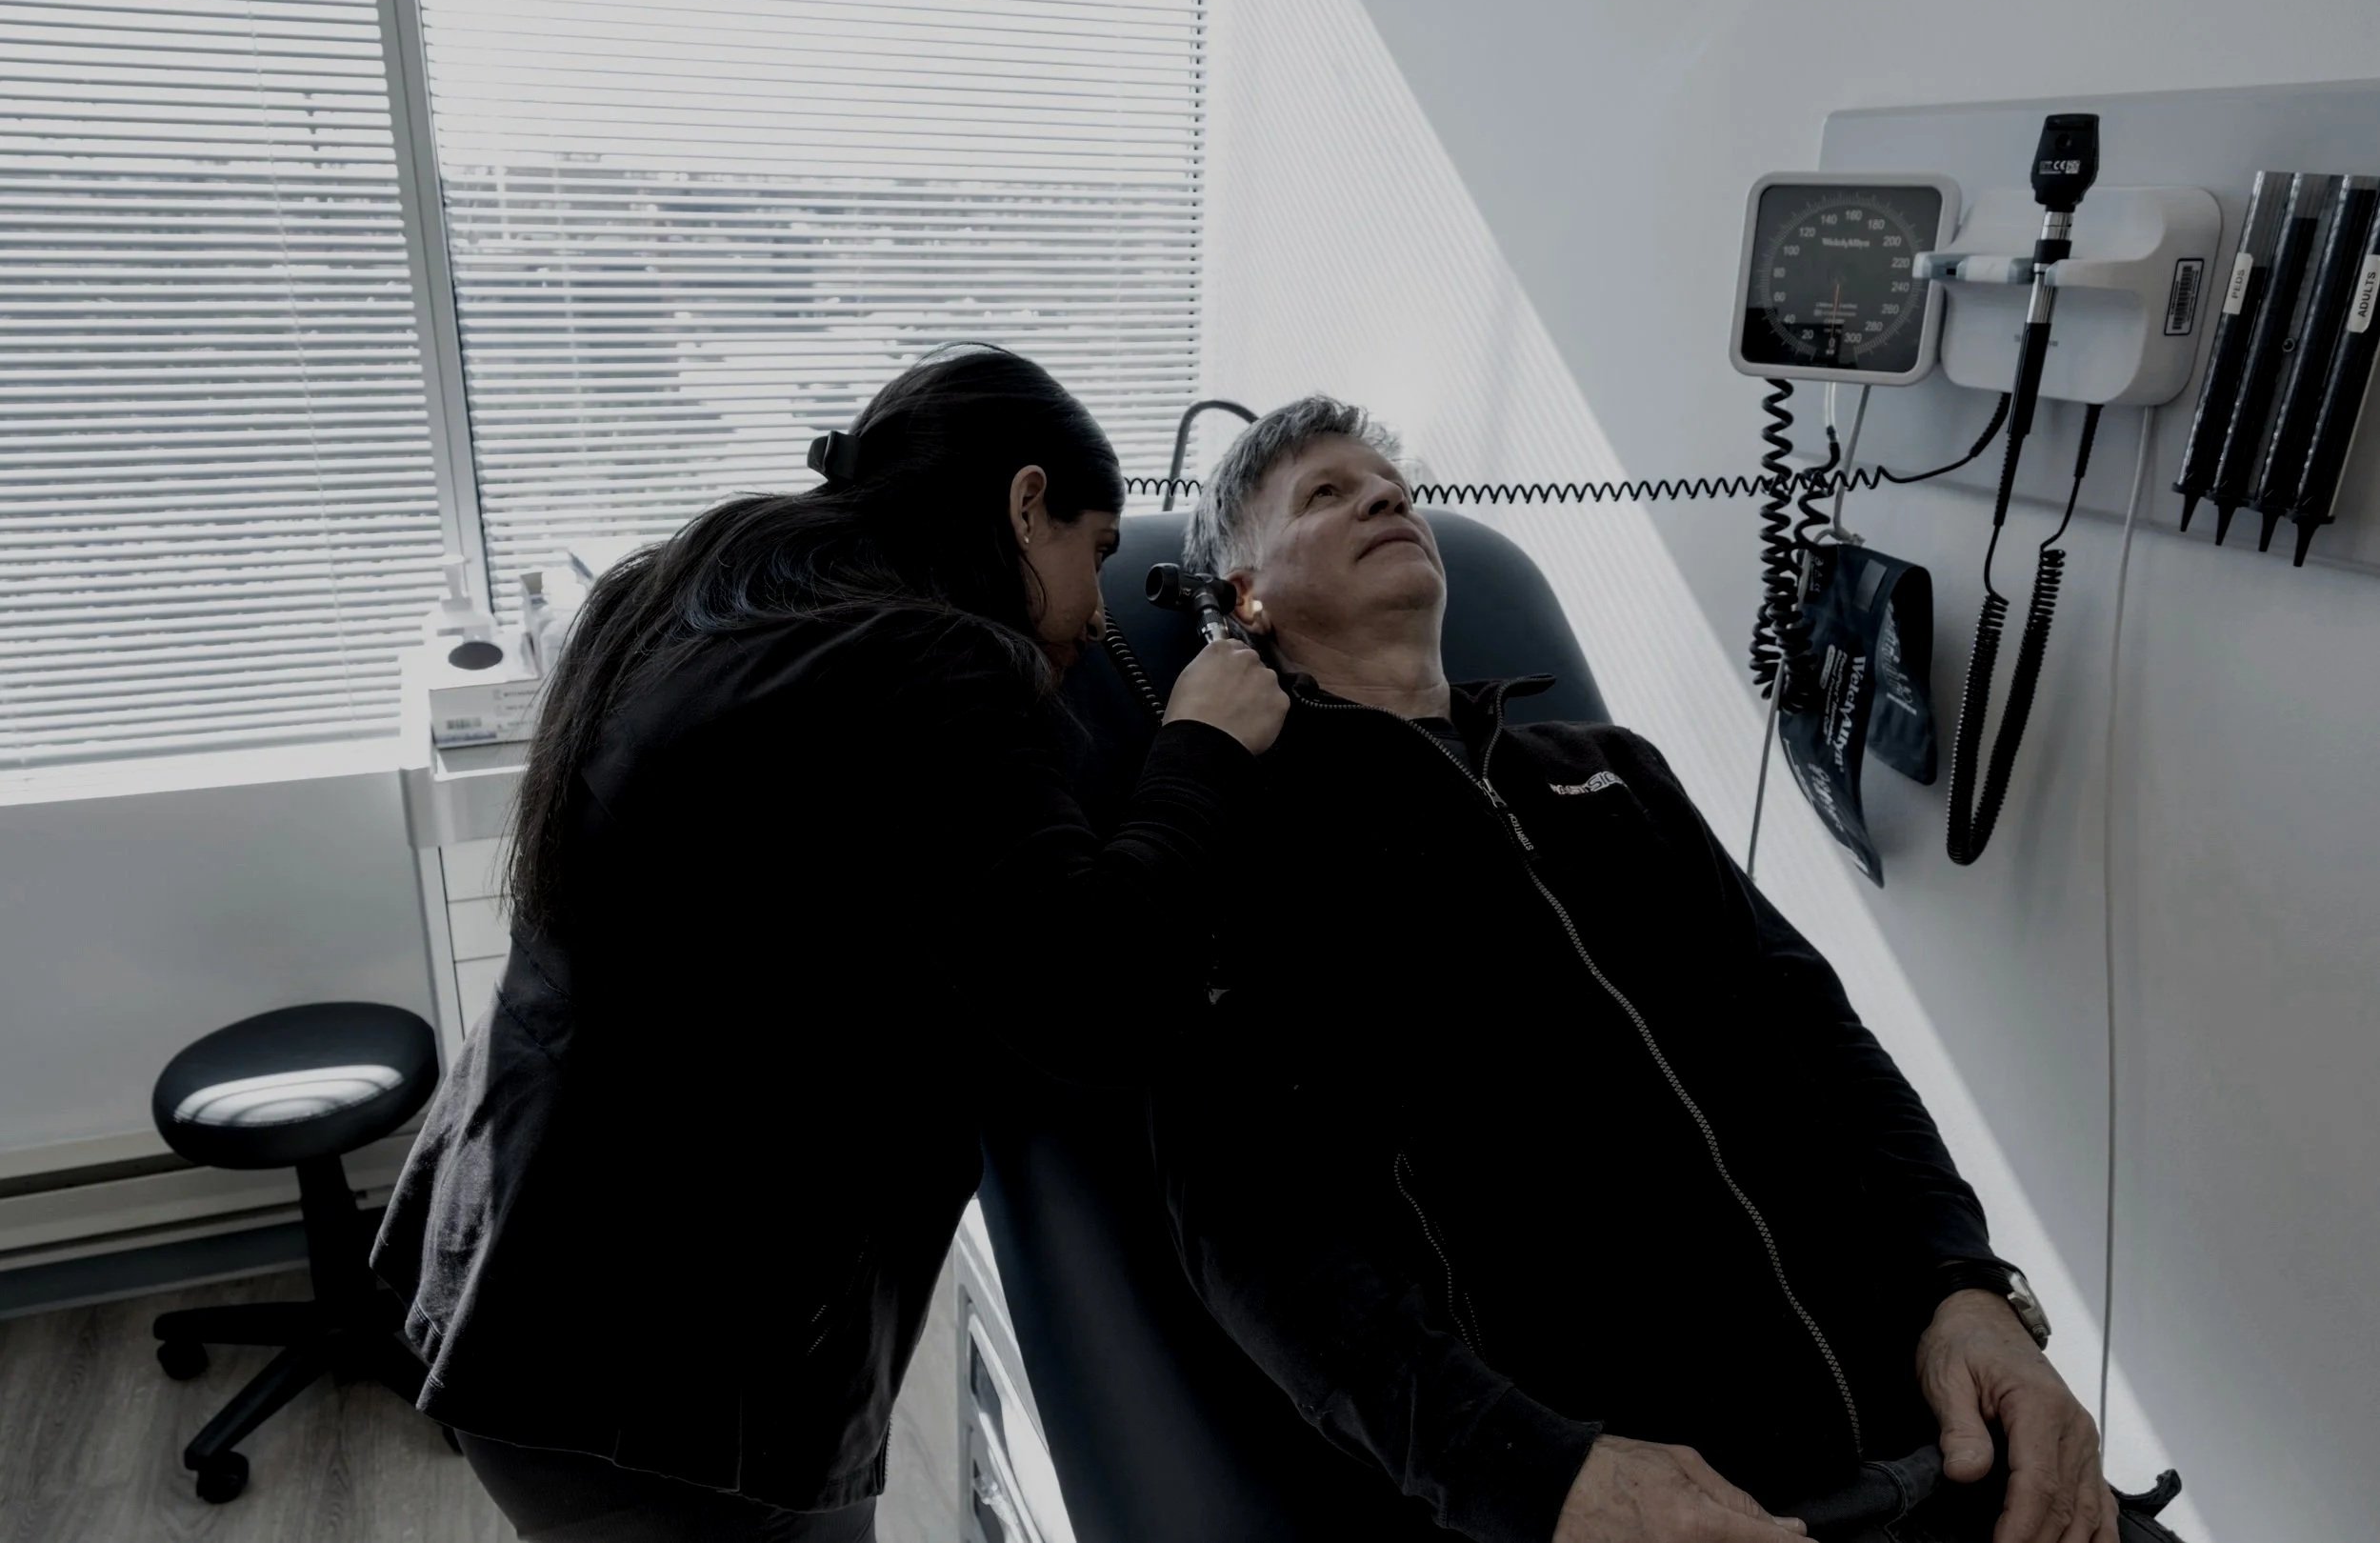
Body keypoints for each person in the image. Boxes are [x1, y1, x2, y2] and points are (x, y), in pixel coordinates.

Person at [1152, 395, 2126, 1543]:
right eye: (1325, 492)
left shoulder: (1612, 771)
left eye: (1392, 484)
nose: (1384, 496)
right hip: (1672, 1506)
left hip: (1950, 1446)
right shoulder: (1246, 840)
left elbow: (1829, 1045)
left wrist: (1970, 1289)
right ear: (1243, 600)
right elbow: (1253, 1228)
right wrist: (1537, 1476)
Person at [370, 346, 1287, 1543]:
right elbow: (1094, 996)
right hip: (658, 1386)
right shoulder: (931, 661)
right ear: (1023, 503)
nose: (1097, 611)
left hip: (514, 1276)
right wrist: (1202, 746)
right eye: (1094, 553)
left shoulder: (694, 586)